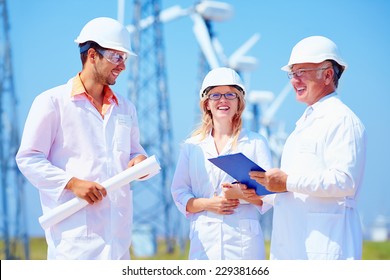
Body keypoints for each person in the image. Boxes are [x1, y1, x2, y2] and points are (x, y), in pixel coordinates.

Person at [15, 17, 148, 260]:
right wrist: (72, 183)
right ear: (92, 55)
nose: (122, 66)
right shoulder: (52, 102)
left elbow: (132, 151)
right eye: (116, 57)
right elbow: (29, 158)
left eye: (124, 58)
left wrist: (139, 160)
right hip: (74, 244)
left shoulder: (125, 108)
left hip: (118, 242)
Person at [249, 36, 367, 260]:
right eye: (292, 74)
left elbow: (344, 181)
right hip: (293, 251)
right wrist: (260, 192)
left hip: (326, 252)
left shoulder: (342, 120)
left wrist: (286, 182)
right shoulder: (302, 127)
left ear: (328, 74)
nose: (294, 80)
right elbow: (296, 194)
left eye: (302, 72)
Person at [171, 67, 273, 260]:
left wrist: (241, 194)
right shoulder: (191, 146)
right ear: (207, 104)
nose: (223, 100)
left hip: (244, 247)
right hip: (204, 246)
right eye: (215, 95)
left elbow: (269, 198)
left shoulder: (256, 142)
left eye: (230, 95)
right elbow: (179, 194)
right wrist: (209, 204)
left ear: (239, 103)